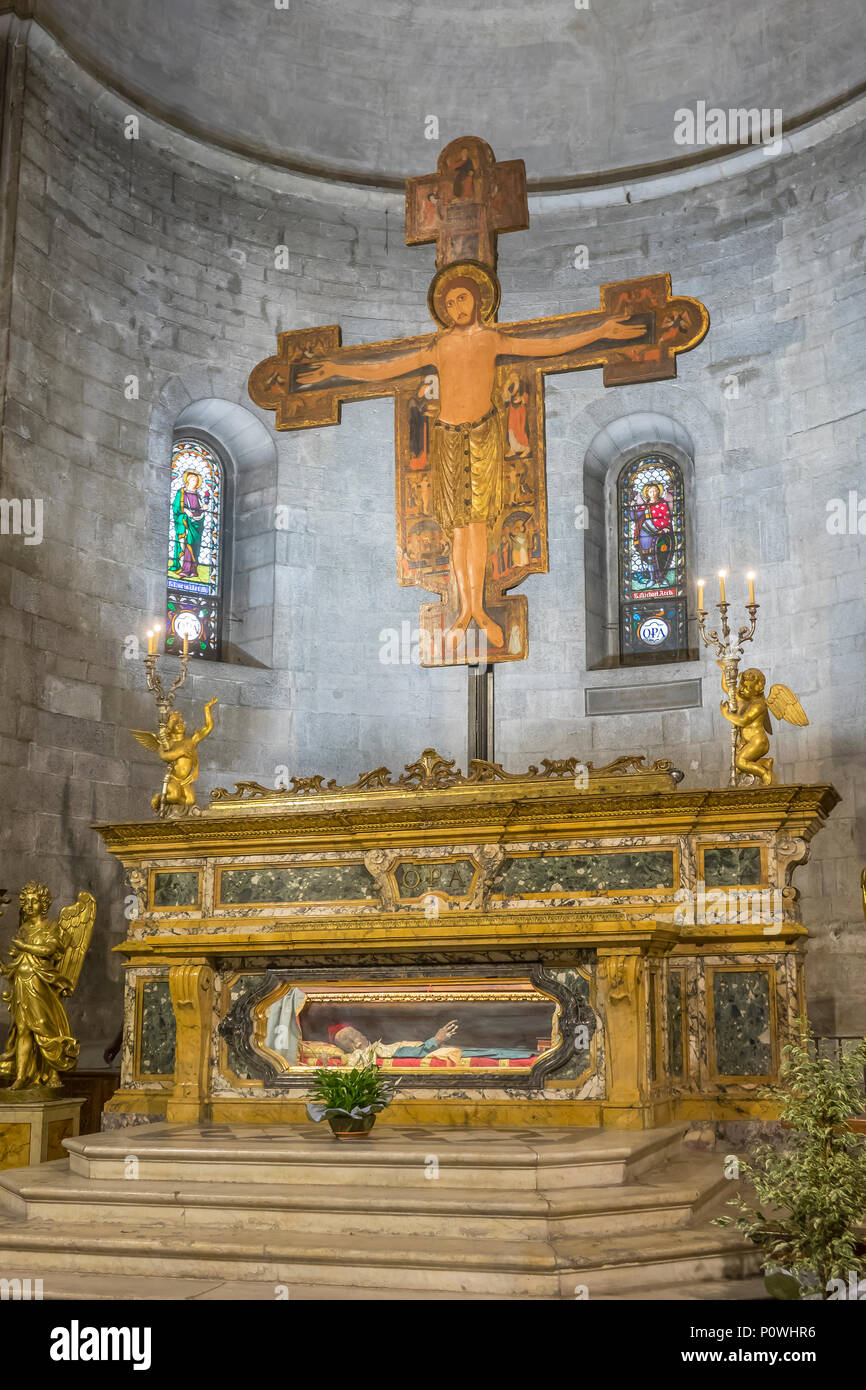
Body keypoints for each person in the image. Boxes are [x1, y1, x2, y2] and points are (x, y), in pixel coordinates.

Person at [298, 278, 644, 649]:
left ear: (477, 299)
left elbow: (545, 345)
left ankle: (477, 609)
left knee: (477, 526)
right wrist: (336, 369)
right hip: (446, 439)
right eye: (449, 303)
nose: (456, 308)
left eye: (462, 298)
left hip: (483, 436)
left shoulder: (491, 339)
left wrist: (600, 331)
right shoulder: (439, 345)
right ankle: (465, 611)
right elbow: (389, 367)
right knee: (457, 530)